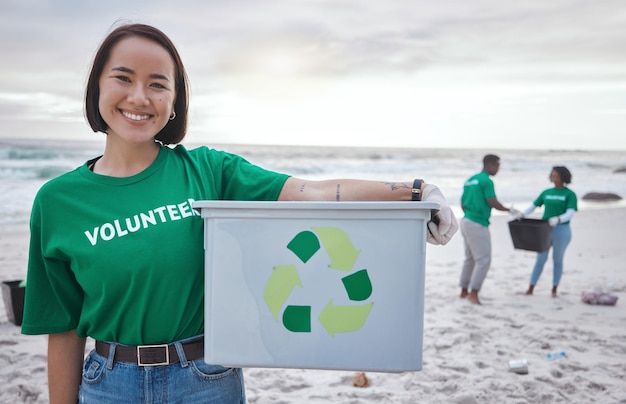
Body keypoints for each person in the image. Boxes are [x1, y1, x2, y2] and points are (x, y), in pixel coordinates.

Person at [20, 23, 458, 403]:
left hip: (205, 377)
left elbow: (312, 192)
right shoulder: (58, 201)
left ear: (175, 101)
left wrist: (413, 192)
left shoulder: (209, 170)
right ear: (98, 86)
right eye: (123, 78)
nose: (140, 96)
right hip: (108, 383)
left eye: (158, 83)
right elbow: (62, 328)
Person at [459, 154, 519, 305]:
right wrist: (508, 210)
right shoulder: (487, 181)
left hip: (465, 220)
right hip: (477, 222)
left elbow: (462, 202)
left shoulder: (470, 180)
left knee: (470, 258)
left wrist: (470, 213)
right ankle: (474, 294)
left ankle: (464, 291)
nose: (498, 169)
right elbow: (491, 201)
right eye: (497, 166)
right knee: (483, 260)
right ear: (491, 164)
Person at [518, 166, 577, 297]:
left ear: (563, 177)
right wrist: (522, 214)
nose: (554, 178)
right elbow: (533, 206)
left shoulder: (569, 194)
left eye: (557, 176)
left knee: (557, 259)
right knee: (540, 258)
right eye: (552, 175)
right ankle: (531, 287)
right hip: (544, 229)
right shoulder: (546, 192)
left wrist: (559, 219)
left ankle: (554, 288)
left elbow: (570, 212)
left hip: (562, 230)